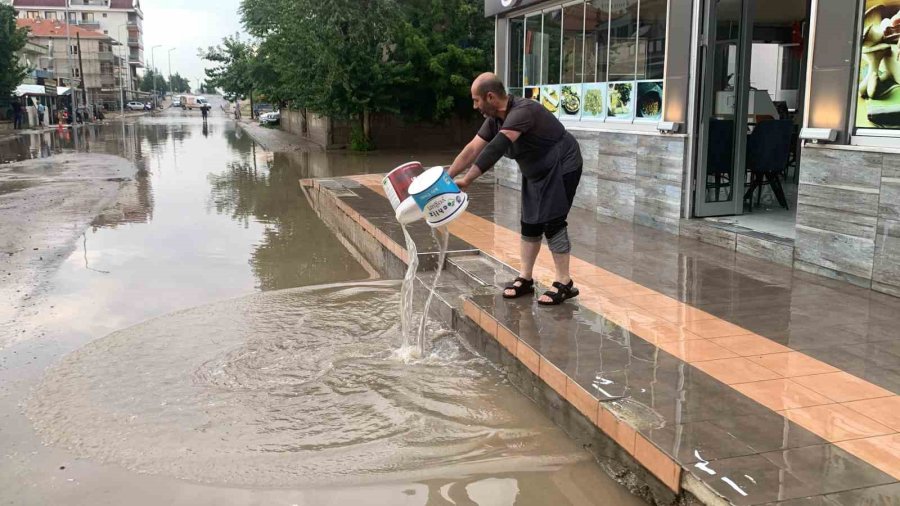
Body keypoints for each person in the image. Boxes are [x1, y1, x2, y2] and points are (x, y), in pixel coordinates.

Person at [448, 73, 583, 306]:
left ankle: (564, 282)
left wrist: (468, 179)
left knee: (553, 222)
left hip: (562, 165)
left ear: (490, 97)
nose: (474, 106)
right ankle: (526, 278)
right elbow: (473, 149)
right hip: (536, 172)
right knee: (530, 223)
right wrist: (445, 178)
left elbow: (497, 147)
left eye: (476, 100)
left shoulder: (523, 111)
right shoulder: (494, 120)